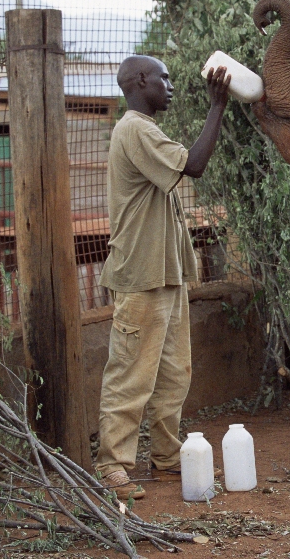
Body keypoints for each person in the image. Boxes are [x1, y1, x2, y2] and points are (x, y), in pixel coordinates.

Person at [96, 55, 230, 500]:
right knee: (131, 375)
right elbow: (194, 164)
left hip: (165, 274)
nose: (170, 85)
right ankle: (113, 466)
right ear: (139, 81)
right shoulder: (135, 128)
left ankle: (168, 457)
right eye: (163, 78)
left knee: (174, 374)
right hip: (140, 275)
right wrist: (217, 107)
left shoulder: (144, 129)